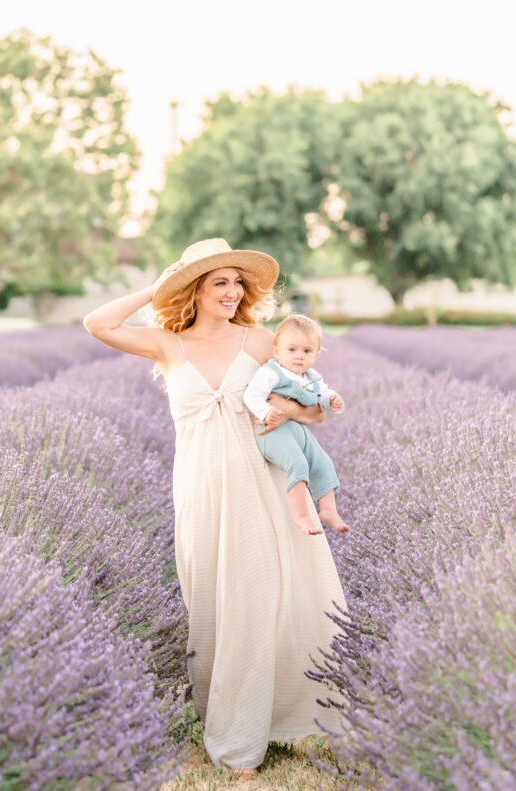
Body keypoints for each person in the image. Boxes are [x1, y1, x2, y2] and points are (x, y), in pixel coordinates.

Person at [82, 238, 346, 779]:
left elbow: (313, 406)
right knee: (214, 604)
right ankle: (230, 716)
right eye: (218, 282)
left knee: (260, 598)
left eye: (237, 282)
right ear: (196, 290)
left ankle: (248, 738)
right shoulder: (168, 345)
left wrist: (292, 413)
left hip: (261, 487)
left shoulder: (259, 340)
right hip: (202, 490)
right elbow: (97, 323)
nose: (232, 292)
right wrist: (156, 289)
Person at [243, 313, 351, 536]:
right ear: (277, 351)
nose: (299, 356)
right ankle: (301, 515)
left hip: (297, 430)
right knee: (298, 463)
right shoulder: (271, 372)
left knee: (323, 463)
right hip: (272, 432)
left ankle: (329, 510)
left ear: (316, 354)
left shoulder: (312, 377)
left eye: (307, 351)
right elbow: (252, 395)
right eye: (292, 350)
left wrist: (333, 401)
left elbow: (323, 396)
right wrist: (266, 412)